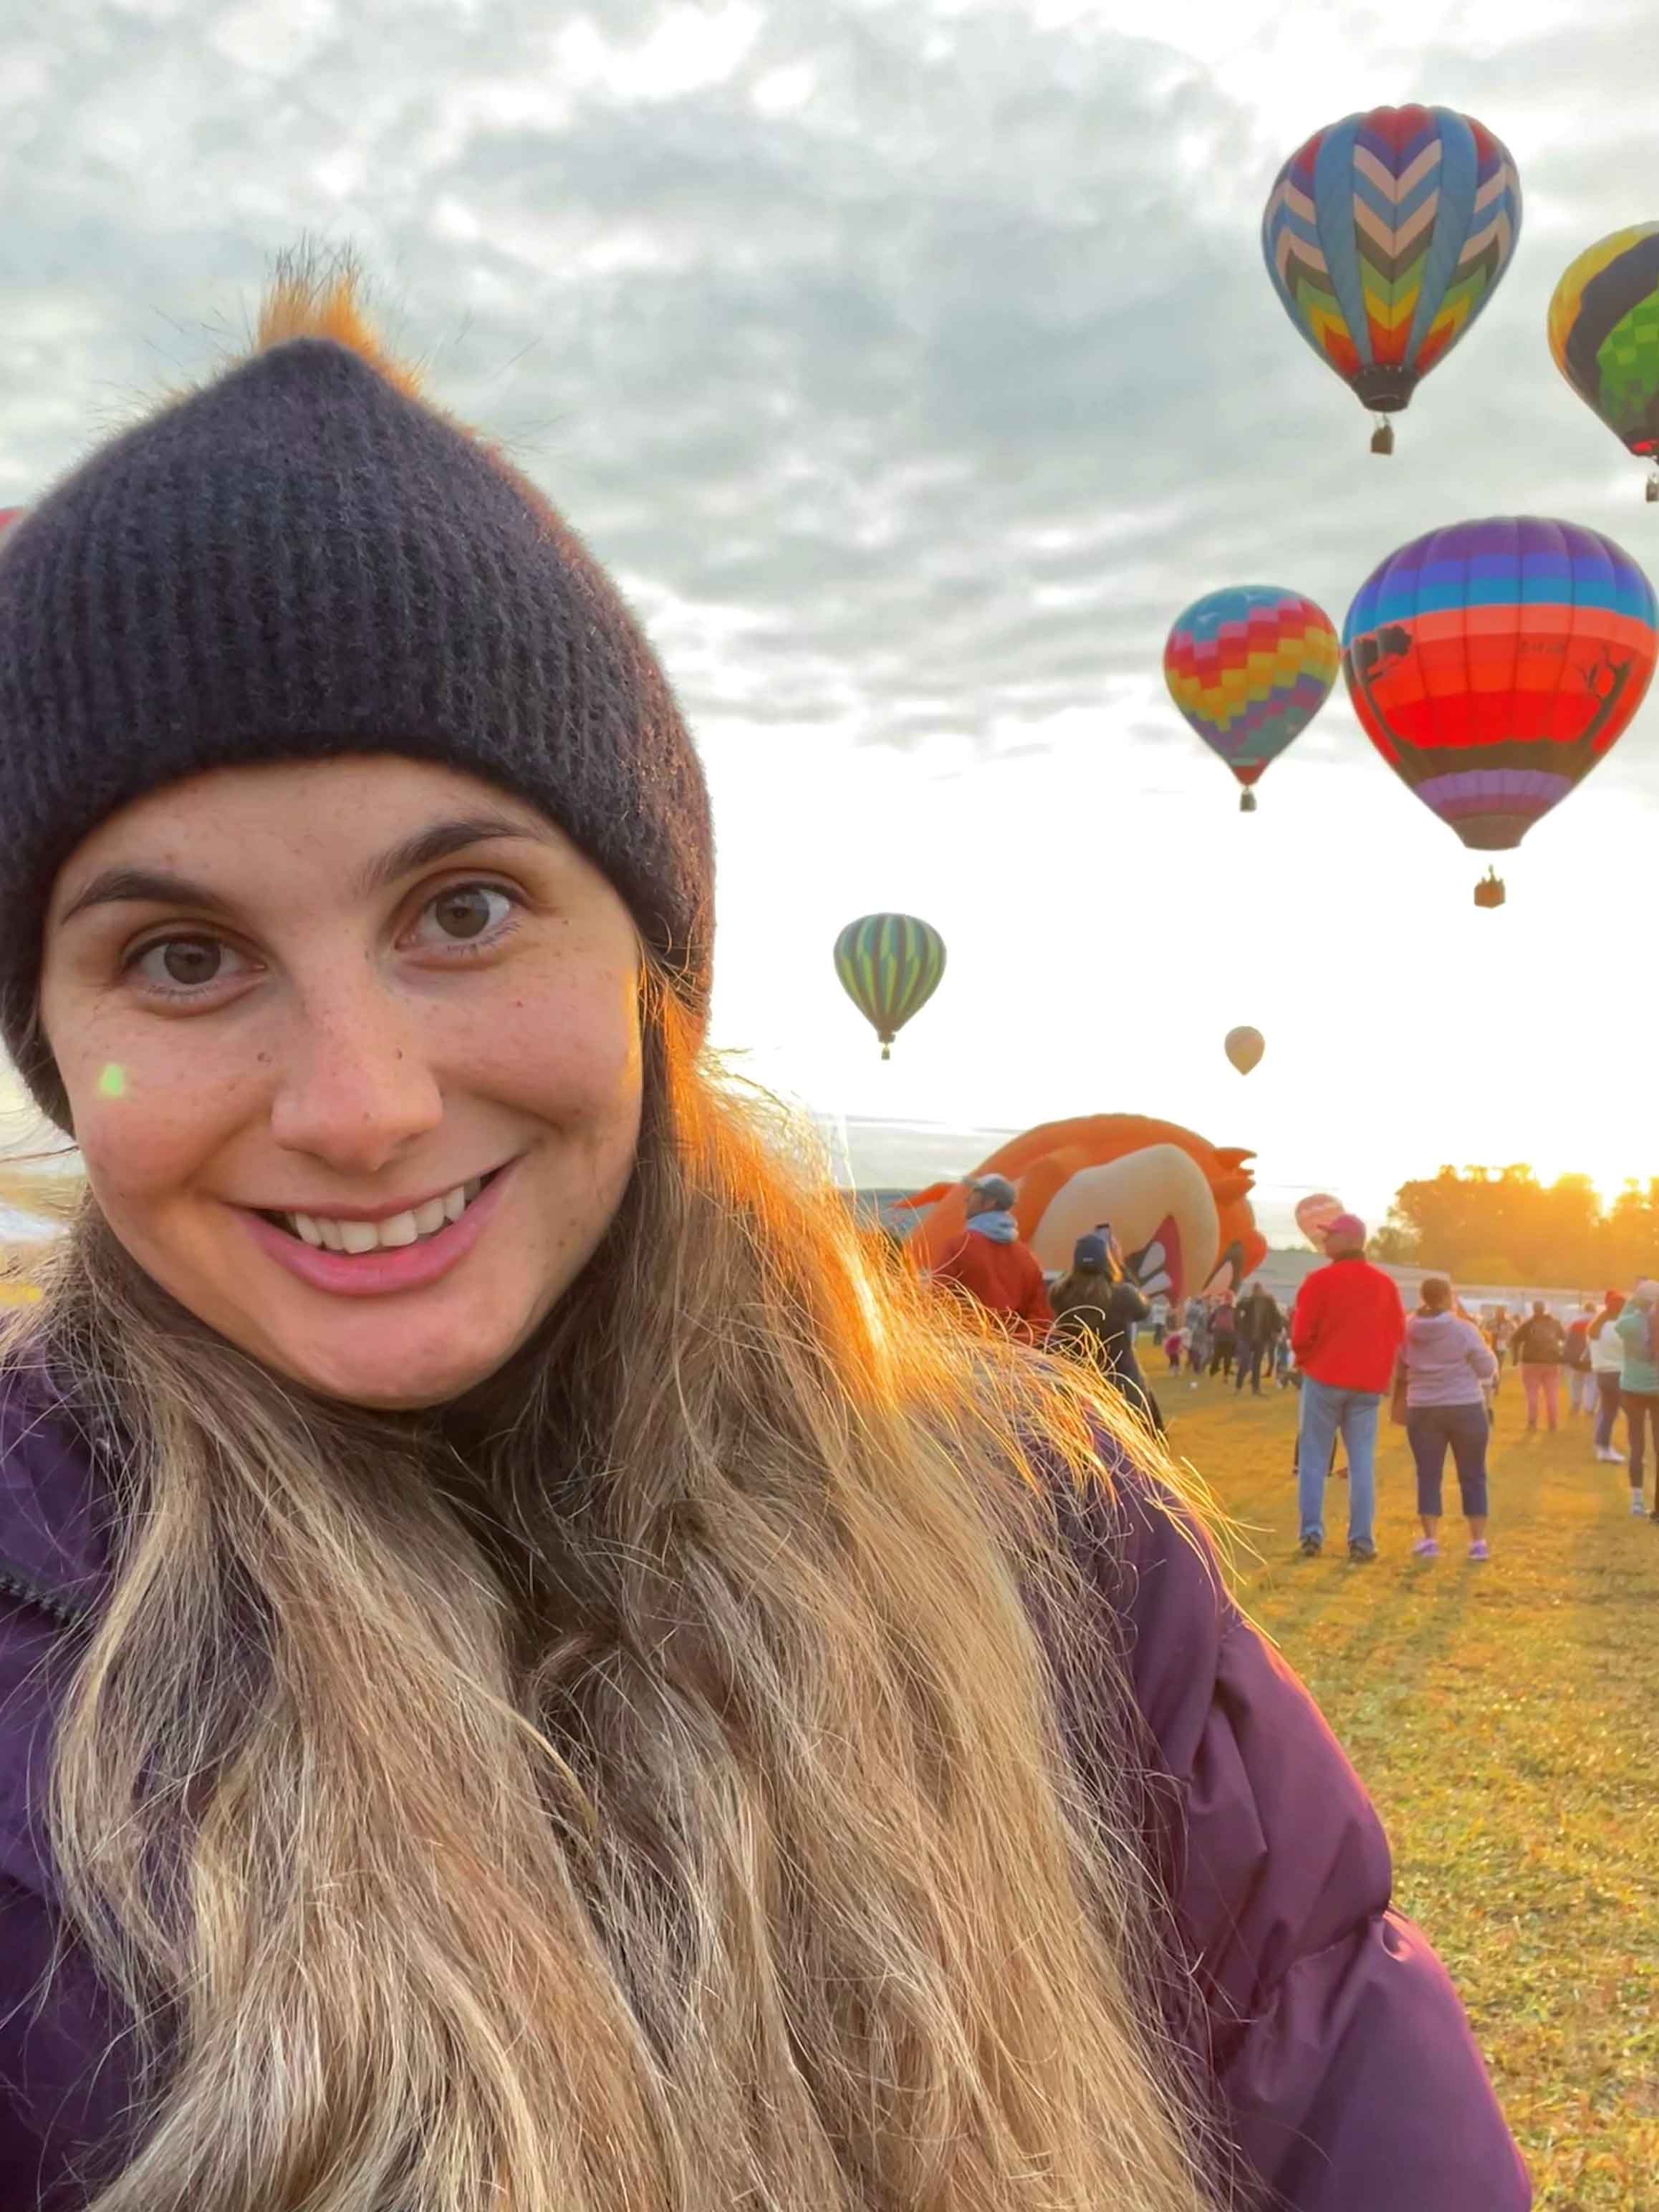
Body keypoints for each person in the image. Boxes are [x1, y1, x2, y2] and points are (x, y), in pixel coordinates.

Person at [0, 261, 1530, 2211]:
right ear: (58, 1043)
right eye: (180, 955)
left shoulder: (1049, 1551)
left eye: (463, 912)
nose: (359, 1103)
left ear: (656, 969)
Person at [1291, 1216, 1405, 1562]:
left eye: (1331, 1235)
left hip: (1325, 1378)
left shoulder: (1319, 1281)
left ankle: (1311, 1535)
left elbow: (1301, 1334)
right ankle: (1362, 1541)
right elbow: (1397, 1335)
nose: (1325, 1241)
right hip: (1367, 1384)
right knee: (1361, 1463)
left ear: (1350, 1240)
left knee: (1314, 1459)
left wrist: (1306, 1360)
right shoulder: (1385, 1284)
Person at [1399, 1278, 1499, 1562]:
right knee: (1473, 1473)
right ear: (1447, 1298)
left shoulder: (1407, 1328)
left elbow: (1401, 1362)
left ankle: (1430, 1539)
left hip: (1423, 1406)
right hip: (1465, 1405)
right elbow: (1486, 1368)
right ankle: (1477, 1542)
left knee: (1428, 1474)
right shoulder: (1463, 1329)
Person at [1047, 1234, 1165, 1438]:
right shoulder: (1123, 1296)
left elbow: (1067, 1283)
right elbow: (1144, 1309)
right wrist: (1121, 1266)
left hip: (1080, 1389)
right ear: (1107, 1261)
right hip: (1124, 1389)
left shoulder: (1060, 1295)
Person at [928, 1173, 1054, 1345]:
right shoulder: (1027, 1257)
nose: (967, 1199)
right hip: (1013, 1354)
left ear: (989, 1203)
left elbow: (936, 1301)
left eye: (974, 1194)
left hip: (966, 1349)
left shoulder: (958, 1247)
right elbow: (1040, 1319)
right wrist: (1013, 1345)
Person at [1615, 1280, 1659, 1519]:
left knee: (1637, 1446)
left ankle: (1637, 1502)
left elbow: (1619, 1323)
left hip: (1632, 1389)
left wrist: (1633, 1299)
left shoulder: (1629, 1324)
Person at [1511, 1302, 1566, 1434]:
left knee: (1532, 1394)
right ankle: (1552, 1424)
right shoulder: (1555, 1323)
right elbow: (1564, 1338)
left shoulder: (1528, 1324)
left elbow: (1515, 1339)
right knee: (1552, 1395)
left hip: (1530, 1363)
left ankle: (1532, 1423)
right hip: (1551, 1362)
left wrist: (1515, 1358)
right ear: (1545, 1309)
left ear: (1533, 1309)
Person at [1587, 1290, 1628, 1466]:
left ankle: (1603, 1447)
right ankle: (1606, 1449)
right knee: (1630, 1414)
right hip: (1618, 1373)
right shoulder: (1619, 1328)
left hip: (1602, 1374)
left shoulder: (1596, 1327)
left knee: (1607, 1413)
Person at [1233, 1280, 1283, 1396]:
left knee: (1257, 1364)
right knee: (1245, 1362)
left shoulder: (1269, 1302)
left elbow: (1277, 1316)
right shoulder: (1249, 1301)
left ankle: (1255, 1389)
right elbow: (1238, 1308)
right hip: (1248, 1336)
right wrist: (1239, 1324)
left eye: (1258, 1289)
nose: (1258, 1291)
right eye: (1256, 1289)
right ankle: (1238, 1387)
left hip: (1262, 1337)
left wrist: (1278, 1330)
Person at [1564, 1303, 1597, 1418]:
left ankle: (1575, 1403)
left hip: (1576, 1359)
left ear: (1584, 1310)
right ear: (1594, 1310)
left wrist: (1567, 1357)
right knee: (1592, 1384)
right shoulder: (1598, 1322)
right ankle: (1589, 1408)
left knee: (1575, 1383)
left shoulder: (1575, 1323)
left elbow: (1568, 1341)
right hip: (1593, 1358)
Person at [1206, 1290, 1237, 1380]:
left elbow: (1209, 1321)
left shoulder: (1218, 1310)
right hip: (1230, 1337)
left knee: (1217, 1355)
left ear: (1224, 1299)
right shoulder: (1234, 1311)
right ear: (1232, 1300)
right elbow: (1239, 1324)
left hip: (1218, 1336)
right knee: (1228, 1356)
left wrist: (1210, 1331)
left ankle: (1212, 1373)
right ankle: (1225, 1376)